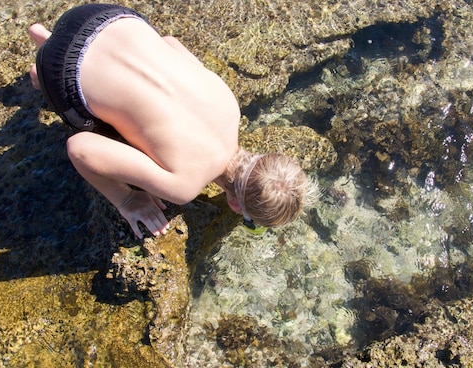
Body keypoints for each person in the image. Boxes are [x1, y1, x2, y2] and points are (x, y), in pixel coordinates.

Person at [28, 4, 312, 239]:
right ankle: (40, 73)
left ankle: (45, 39)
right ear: (236, 205)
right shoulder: (184, 186)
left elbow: (169, 43)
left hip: (104, 16)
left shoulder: (230, 105)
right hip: (62, 66)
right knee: (99, 128)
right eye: (252, 222)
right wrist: (126, 199)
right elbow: (80, 148)